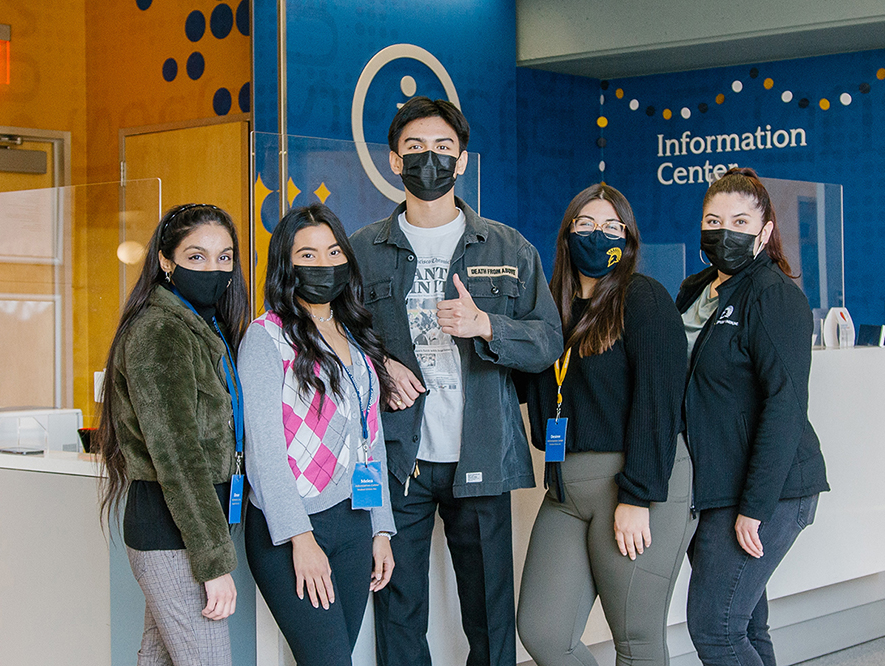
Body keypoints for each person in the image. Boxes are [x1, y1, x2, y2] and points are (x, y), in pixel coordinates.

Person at [350, 96, 564, 666]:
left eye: (443, 148)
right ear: (394, 160)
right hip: (399, 459)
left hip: (483, 455)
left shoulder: (507, 247)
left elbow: (549, 340)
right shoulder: (362, 252)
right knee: (397, 614)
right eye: (415, 148)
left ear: (463, 160)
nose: (430, 159)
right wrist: (378, 364)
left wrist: (486, 324)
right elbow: (331, 343)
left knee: (492, 622)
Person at [516, 184, 694, 666]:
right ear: (567, 235)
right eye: (586, 224)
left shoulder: (644, 299)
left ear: (629, 239)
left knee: (635, 640)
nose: (598, 235)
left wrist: (637, 497)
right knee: (543, 632)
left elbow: (659, 403)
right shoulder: (550, 310)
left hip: (635, 486)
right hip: (565, 492)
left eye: (612, 227)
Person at [678, 167, 829, 666]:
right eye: (714, 219)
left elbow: (785, 406)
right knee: (744, 626)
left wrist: (755, 507)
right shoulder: (694, 289)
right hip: (714, 487)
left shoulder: (773, 295)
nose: (726, 232)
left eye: (740, 221)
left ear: (764, 232)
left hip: (766, 491)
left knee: (715, 629)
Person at [239, 203, 396, 666]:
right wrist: (300, 539)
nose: (323, 264)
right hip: (290, 530)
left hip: (353, 521)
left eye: (332, 252)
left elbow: (372, 438)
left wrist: (381, 528)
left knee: (333, 658)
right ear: (286, 265)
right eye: (306, 255)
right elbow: (265, 452)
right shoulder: (266, 338)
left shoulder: (353, 332)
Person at [97, 203, 251, 666]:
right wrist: (214, 564)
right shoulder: (160, 329)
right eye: (197, 256)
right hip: (171, 532)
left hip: (191, 529)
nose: (214, 268)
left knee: (158, 658)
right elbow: (178, 458)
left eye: (224, 257)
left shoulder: (204, 325)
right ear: (166, 261)